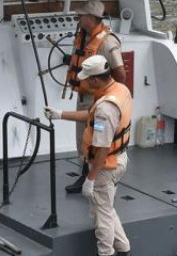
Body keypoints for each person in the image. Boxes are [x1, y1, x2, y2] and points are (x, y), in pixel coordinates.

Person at [44, 55, 132, 256]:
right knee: (106, 208)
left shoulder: (105, 109)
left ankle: (106, 253)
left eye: (85, 78)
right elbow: (91, 115)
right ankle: (124, 248)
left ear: (94, 80)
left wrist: (90, 179)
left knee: (101, 217)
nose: (82, 81)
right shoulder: (119, 90)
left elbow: (102, 147)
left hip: (105, 166)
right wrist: (60, 114)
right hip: (119, 160)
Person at [63, 0, 126, 193]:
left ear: (91, 18)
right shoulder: (83, 37)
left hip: (97, 101)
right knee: (84, 138)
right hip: (83, 98)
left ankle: (96, 176)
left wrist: (108, 98)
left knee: (99, 138)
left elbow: (120, 74)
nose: (78, 19)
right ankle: (85, 174)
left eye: (81, 16)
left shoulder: (107, 42)